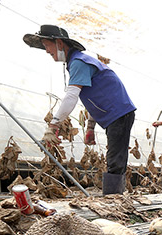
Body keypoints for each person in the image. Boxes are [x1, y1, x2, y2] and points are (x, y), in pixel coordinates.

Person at [24, 25, 136, 195]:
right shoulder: (78, 62)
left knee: (115, 159)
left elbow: (71, 96)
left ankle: (114, 200)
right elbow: (94, 97)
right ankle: (114, 197)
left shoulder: (79, 62)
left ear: (59, 43)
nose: (46, 51)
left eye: (47, 45)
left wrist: (54, 124)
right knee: (115, 156)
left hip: (119, 113)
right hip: (115, 114)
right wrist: (90, 126)